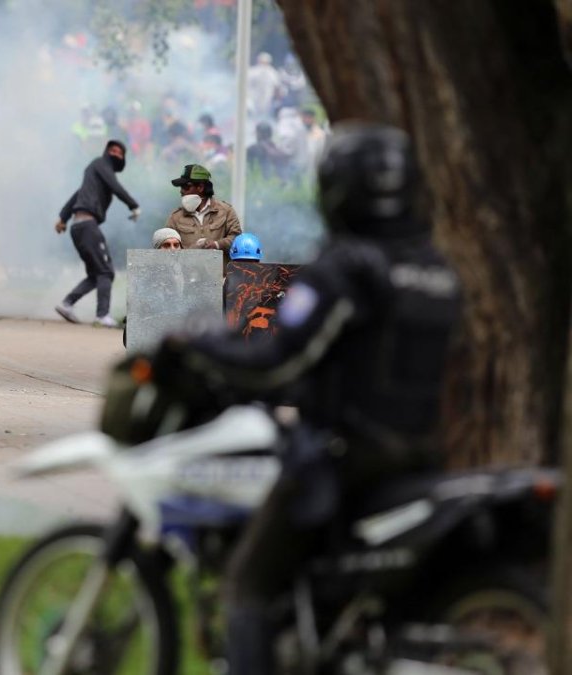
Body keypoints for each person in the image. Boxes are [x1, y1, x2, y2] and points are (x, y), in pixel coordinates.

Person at [144, 122, 461, 675]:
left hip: (346, 455)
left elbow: (280, 357)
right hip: (427, 457)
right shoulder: (439, 271)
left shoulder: (349, 266)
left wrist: (200, 354)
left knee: (247, 582)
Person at [53, 140, 140, 327]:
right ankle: (102, 315)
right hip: (87, 225)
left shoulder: (94, 176)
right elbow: (115, 186)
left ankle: (66, 304)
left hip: (79, 226)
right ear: (106, 153)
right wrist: (133, 205)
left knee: (96, 274)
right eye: (113, 150)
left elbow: (76, 197)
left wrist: (62, 218)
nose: (116, 154)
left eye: (120, 152)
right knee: (106, 271)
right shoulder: (101, 164)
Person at [164, 164, 243, 262]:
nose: (181, 191)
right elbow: (166, 247)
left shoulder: (226, 211)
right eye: (181, 187)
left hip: (220, 276)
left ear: (200, 187)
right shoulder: (176, 217)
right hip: (188, 276)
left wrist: (216, 244)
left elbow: (237, 240)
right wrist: (193, 250)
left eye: (186, 186)